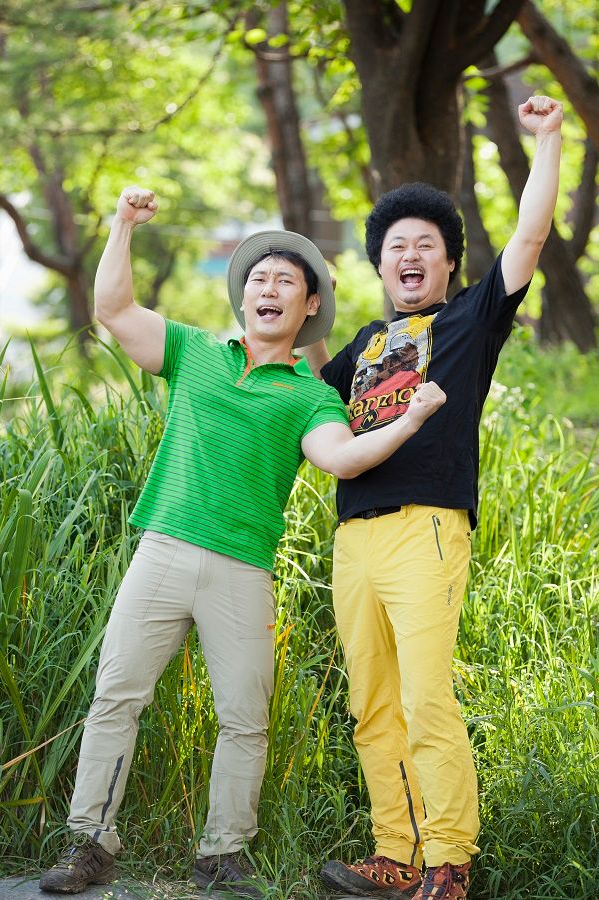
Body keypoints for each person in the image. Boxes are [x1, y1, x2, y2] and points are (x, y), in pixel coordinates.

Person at [39, 187, 447, 896]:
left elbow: (343, 458)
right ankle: (91, 844)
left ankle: (222, 854)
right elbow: (113, 309)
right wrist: (122, 224)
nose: (269, 288)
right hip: (163, 549)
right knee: (115, 697)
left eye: (286, 281)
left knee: (245, 720)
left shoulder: (312, 395)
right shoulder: (195, 351)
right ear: (243, 296)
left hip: (243, 570)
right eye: (259, 278)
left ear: (309, 305)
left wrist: (410, 420)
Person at [300, 95, 563, 900]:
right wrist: (294, 299)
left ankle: (449, 862)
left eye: (426, 245)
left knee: (424, 697)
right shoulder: (363, 345)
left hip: (428, 529)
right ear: (380, 269)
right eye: (396, 248)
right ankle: (396, 854)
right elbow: (307, 394)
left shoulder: (470, 320)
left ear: (449, 263)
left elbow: (530, 238)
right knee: (372, 704)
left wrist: (548, 139)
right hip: (355, 537)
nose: (410, 255)